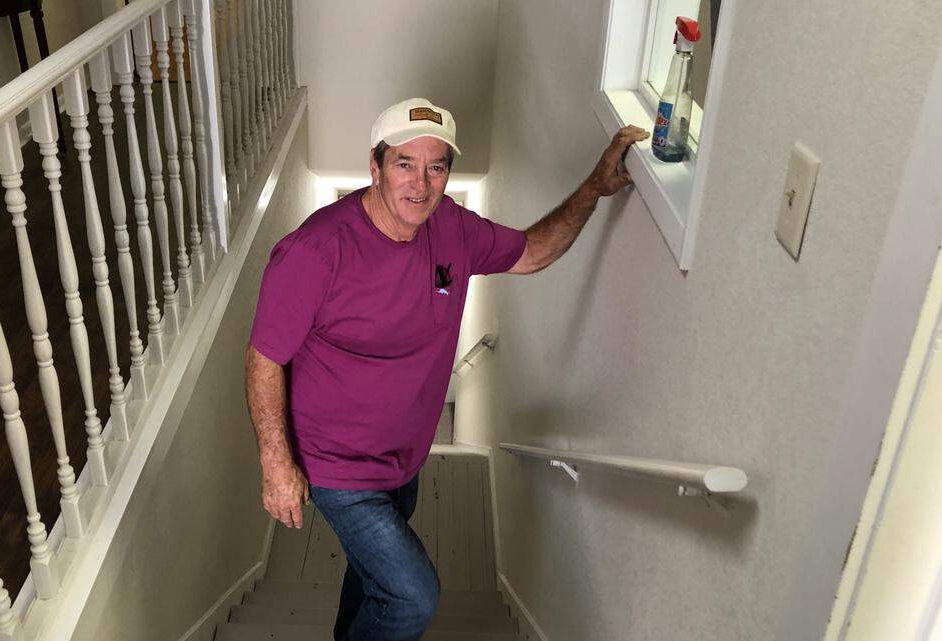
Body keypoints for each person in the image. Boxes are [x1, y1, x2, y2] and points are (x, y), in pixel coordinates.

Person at [245, 97, 647, 641]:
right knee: (413, 597)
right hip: (337, 465)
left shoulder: (452, 230)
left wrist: (592, 191)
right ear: (375, 167)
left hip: (405, 458)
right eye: (404, 164)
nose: (421, 183)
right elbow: (266, 354)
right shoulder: (317, 250)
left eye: (437, 167)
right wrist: (276, 462)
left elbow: (532, 251)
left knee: (374, 580)